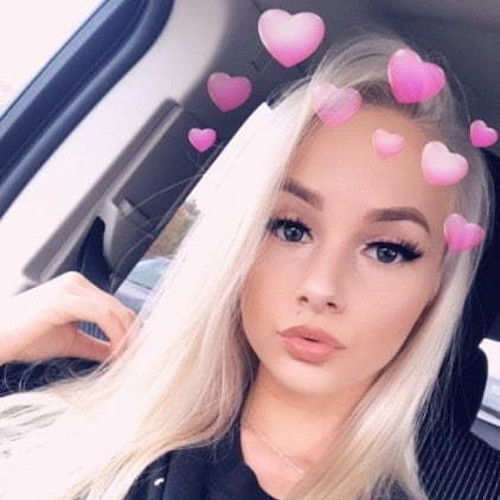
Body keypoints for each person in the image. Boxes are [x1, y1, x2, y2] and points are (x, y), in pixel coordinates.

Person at [0, 28, 499, 500]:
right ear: (238, 240)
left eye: (388, 250)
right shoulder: (71, 410)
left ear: (437, 287)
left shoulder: (470, 487)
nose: (321, 287)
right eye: (291, 228)